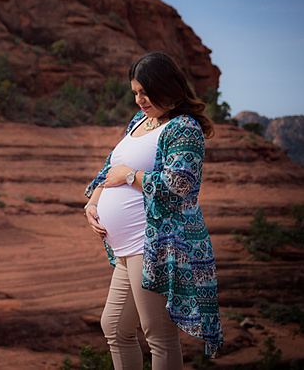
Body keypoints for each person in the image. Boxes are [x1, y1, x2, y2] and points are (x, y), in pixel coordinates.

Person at [83, 52, 223, 369]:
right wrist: (94, 202)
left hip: (155, 245)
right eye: (135, 93)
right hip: (127, 247)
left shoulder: (183, 127)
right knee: (115, 328)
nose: (140, 100)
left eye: (145, 92)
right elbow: (110, 169)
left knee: (158, 336)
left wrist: (131, 177)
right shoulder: (140, 122)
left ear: (167, 87)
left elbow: (180, 184)